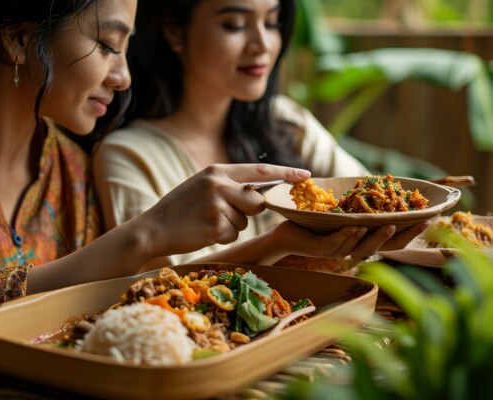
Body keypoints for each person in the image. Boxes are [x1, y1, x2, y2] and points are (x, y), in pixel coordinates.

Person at [0, 0, 421, 367]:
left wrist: (278, 246)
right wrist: (147, 232)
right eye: (108, 45)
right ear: (16, 40)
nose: (124, 74)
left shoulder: (68, 166)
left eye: (127, 49)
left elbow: (111, 308)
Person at [93, 0, 385, 268]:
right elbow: (169, 288)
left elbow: (372, 202)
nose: (262, 44)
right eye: (234, 25)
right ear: (175, 31)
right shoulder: (129, 155)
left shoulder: (286, 121)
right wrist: (278, 244)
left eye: (271, 23)